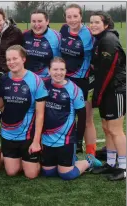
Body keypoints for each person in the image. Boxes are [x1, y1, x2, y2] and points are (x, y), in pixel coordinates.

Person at [41, 57, 100, 180]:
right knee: (48, 173)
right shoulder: (43, 85)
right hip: (47, 140)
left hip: (66, 141)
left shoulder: (74, 89)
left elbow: (82, 117)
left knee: (66, 174)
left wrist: (78, 141)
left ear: (66, 70)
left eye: (62, 69)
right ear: (49, 70)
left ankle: (88, 161)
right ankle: (70, 160)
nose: (59, 72)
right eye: (55, 69)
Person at [0, 45, 47, 179]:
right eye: (8, 60)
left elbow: (40, 114)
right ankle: (7, 156)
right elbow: (0, 105)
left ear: (23, 59)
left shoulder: (36, 80)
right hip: (8, 134)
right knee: (11, 172)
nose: (11, 62)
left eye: (15, 59)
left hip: (27, 136)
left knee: (31, 174)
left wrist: (36, 141)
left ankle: (41, 154)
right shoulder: (4, 79)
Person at [89, 11, 126, 181]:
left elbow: (108, 72)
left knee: (115, 130)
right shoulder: (100, 39)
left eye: (97, 22)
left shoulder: (108, 41)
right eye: (91, 22)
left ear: (106, 25)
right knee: (106, 128)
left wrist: (98, 94)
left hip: (115, 90)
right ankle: (111, 163)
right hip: (105, 91)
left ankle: (123, 168)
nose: (93, 25)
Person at [59, 4, 96, 154]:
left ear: (81, 16)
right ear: (65, 18)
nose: (72, 20)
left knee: (86, 119)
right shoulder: (63, 30)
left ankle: (91, 156)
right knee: (67, 116)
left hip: (83, 80)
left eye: (75, 16)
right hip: (65, 80)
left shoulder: (89, 34)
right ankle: (69, 149)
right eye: (69, 16)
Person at [23, 10, 60, 78]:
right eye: (33, 21)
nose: (36, 24)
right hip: (28, 77)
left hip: (48, 78)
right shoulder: (24, 35)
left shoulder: (57, 36)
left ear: (47, 21)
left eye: (40, 21)